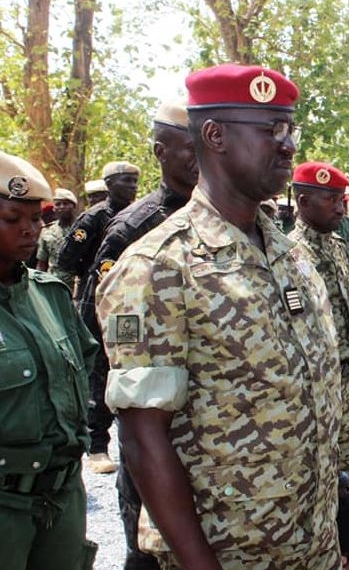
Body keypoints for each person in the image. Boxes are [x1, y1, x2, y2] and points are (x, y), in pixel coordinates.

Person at [95, 63, 349, 570]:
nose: (287, 145)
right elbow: (143, 435)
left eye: (289, 130)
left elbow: (316, 398)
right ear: (213, 135)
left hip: (312, 549)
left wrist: (342, 503)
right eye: (269, 130)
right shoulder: (160, 266)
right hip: (228, 555)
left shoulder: (292, 255)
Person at [86, 99, 198, 570]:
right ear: (160, 152)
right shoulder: (136, 228)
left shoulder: (235, 218)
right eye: (187, 148)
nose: (201, 158)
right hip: (151, 419)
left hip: (213, 436)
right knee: (149, 550)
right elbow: (96, 328)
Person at [0, 151, 99, 570]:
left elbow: (84, 368)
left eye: (35, 219)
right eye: (11, 219)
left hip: (61, 499)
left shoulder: (50, 295)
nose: (30, 231)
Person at [287, 161, 349, 562]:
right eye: (331, 200)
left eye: (342, 199)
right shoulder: (289, 255)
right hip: (315, 383)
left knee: (346, 463)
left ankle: (342, 541)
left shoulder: (337, 245)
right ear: (302, 202)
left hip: (345, 375)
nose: (341, 208)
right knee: (319, 471)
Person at [58, 159, 139, 474]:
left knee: (128, 363)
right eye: (125, 181)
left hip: (127, 303)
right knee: (99, 369)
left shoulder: (140, 213)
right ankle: (97, 445)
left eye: (134, 181)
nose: (132, 187)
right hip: (97, 302)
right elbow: (67, 257)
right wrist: (92, 275)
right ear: (109, 184)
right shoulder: (94, 217)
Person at [36, 188, 79, 289]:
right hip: (53, 284)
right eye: (58, 204)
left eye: (66, 203)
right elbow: (42, 262)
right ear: (54, 208)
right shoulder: (47, 230)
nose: (62, 207)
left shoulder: (83, 228)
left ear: (74, 206)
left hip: (76, 285)